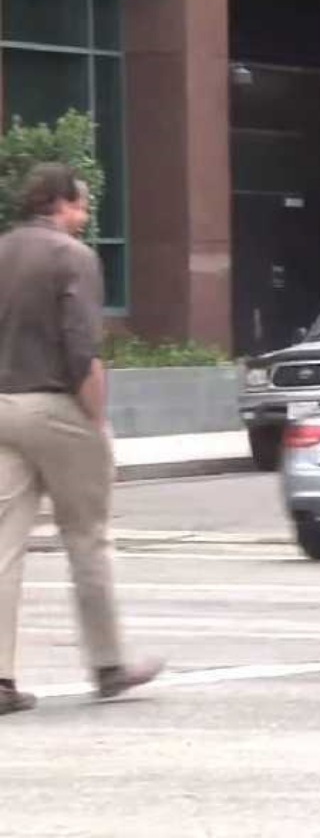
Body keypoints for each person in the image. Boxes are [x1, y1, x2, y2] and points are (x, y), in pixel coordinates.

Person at [0, 164, 165, 716]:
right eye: (83, 203)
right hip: (55, 404)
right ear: (62, 202)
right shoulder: (74, 258)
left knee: (3, 547)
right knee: (87, 537)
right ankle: (108, 664)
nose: (87, 214)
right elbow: (82, 352)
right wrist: (97, 423)